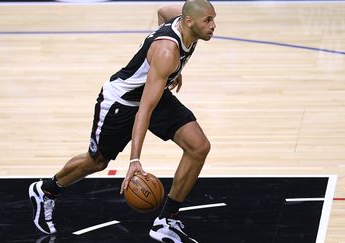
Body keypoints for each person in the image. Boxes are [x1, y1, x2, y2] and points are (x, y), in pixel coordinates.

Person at [28, 1, 216, 242]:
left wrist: (172, 72)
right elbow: (144, 111)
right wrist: (135, 160)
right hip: (121, 103)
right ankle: (46, 189)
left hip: (151, 93)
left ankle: (165, 221)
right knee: (96, 162)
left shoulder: (184, 23)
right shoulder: (167, 52)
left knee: (198, 147)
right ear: (189, 21)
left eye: (213, 19)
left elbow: (162, 11)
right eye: (208, 20)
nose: (213, 26)